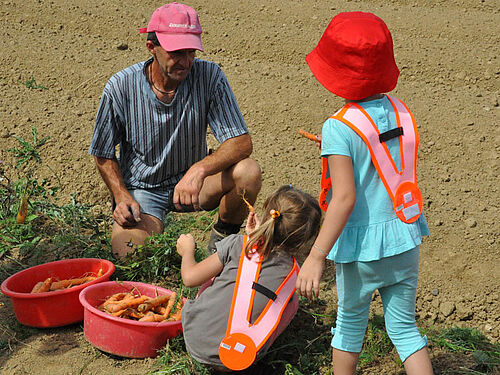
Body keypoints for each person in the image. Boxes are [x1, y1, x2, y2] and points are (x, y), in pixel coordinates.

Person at [295, 12, 434, 375]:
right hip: (405, 237)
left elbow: (344, 199)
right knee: (404, 330)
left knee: (350, 325)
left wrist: (316, 255)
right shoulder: (401, 112)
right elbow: (382, 161)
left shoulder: (338, 126)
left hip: (362, 250)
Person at [88, 2, 261, 258]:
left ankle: (222, 241)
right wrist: (121, 195)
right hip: (143, 189)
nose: (186, 61)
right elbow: (103, 153)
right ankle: (153, 231)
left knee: (248, 172)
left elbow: (241, 142)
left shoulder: (209, 76)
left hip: (195, 186)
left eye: (191, 52)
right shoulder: (121, 87)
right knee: (129, 254)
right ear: (152, 47)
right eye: (177, 53)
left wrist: (198, 170)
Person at [176, 185, 321, 372]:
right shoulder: (295, 276)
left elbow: (189, 278)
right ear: (305, 240)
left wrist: (187, 251)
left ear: (267, 214)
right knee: (289, 300)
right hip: (241, 358)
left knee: (221, 274)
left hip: (195, 338)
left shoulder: (237, 244)